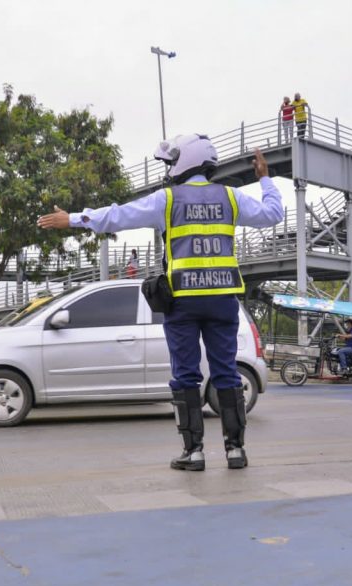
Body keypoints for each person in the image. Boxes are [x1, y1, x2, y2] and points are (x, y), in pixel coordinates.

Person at [38, 136, 283, 472]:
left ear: (184, 161)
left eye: (171, 163)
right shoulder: (231, 197)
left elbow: (118, 216)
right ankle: (236, 450)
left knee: (186, 375)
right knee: (226, 373)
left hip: (183, 301)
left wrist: (74, 219)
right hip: (223, 299)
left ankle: (193, 453)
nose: (169, 170)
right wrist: (264, 179)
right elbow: (273, 214)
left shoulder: (167, 200)